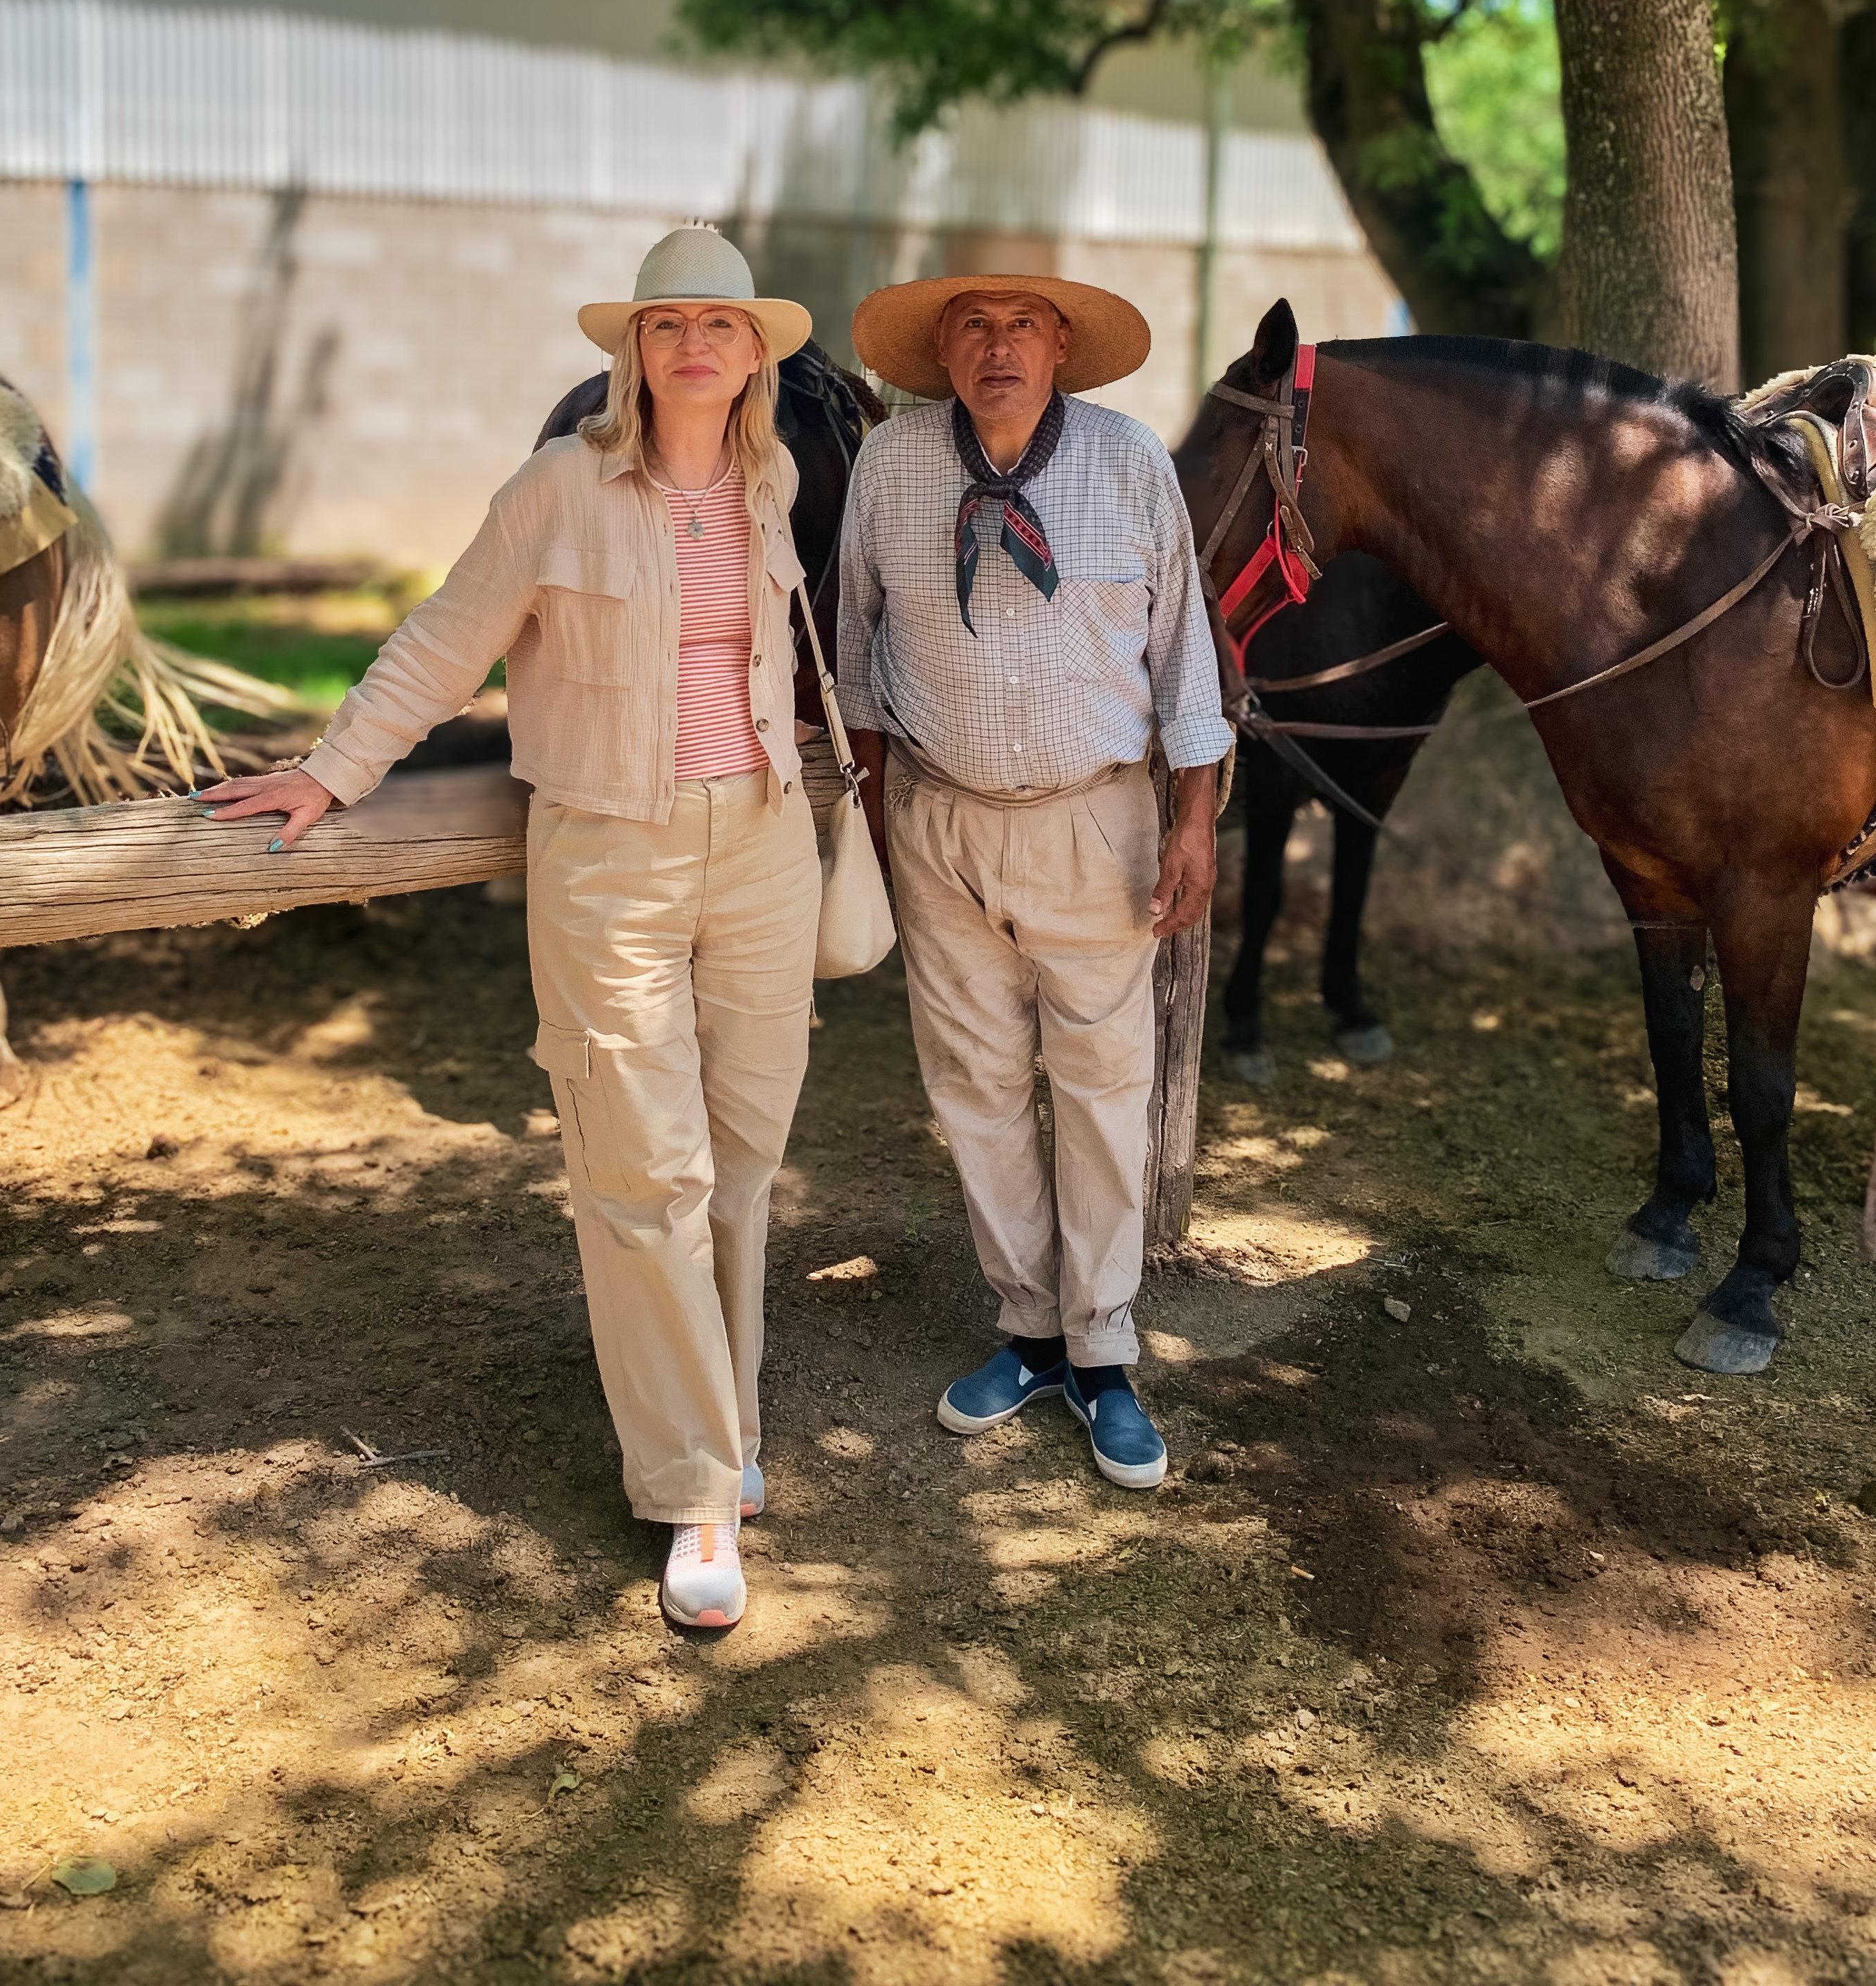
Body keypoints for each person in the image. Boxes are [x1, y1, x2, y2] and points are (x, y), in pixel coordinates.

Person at [195, 227, 823, 1631]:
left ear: (754, 353)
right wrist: (334, 768)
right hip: (612, 854)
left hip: (767, 843)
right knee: (640, 1166)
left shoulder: (774, 483)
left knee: (743, 1155)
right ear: (636, 352)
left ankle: (727, 1423)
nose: (695, 346)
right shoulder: (560, 488)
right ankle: (696, 1492)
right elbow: (443, 637)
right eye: (669, 325)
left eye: (721, 324)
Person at [837, 272, 1229, 1489]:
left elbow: (1185, 656)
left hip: (1094, 821)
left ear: (1060, 345)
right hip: (938, 821)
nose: (996, 346)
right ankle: (1030, 1328)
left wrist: (1196, 819)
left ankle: (1105, 1352)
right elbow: (855, 643)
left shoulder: (1127, 463)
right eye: (972, 325)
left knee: (1107, 1083)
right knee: (974, 1085)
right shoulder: (892, 465)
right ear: (941, 352)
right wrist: (866, 819)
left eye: (1021, 325)